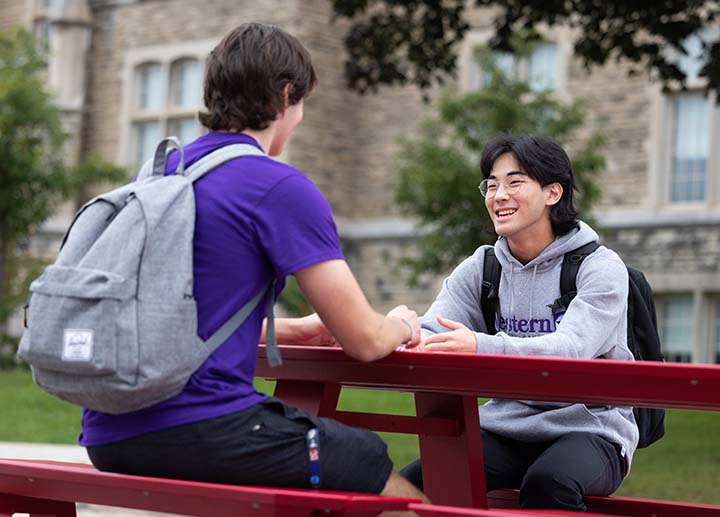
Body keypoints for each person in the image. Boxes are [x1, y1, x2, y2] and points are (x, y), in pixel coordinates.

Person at [81, 22, 426, 502]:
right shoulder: (277, 187)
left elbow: (175, 319)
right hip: (199, 428)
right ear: (286, 96)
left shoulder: (163, 174)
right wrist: (404, 326)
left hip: (110, 433)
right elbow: (365, 340)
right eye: (302, 102)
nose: (301, 116)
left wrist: (295, 330)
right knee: (375, 469)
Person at [400, 134, 638, 511]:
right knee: (419, 481)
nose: (499, 195)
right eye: (491, 185)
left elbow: (570, 350)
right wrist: (393, 333)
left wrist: (481, 346)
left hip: (590, 430)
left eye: (514, 182)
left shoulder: (599, 267)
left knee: (549, 484)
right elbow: (434, 330)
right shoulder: (483, 266)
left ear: (553, 193)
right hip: (505, 427)